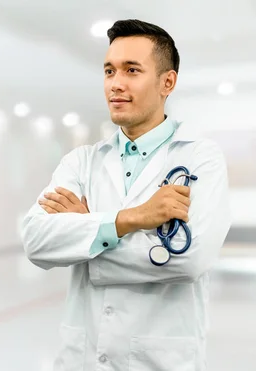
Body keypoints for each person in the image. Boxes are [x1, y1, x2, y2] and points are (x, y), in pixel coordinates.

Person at [21, 19, 231, 371]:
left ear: (168, 82)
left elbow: (190, 259)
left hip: (159, 361)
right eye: (109, 71)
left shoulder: (199, 159)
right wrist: (131, 219)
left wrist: (87, 237)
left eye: (132, 70)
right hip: (82, 358)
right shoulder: (82, 161)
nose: (115, 84)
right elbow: (36, 241)